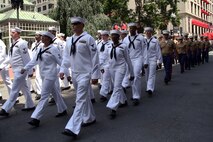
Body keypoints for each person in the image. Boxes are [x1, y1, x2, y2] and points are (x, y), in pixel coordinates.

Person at [59, 17, 99, 138]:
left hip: (85, 73)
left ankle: (72, 127)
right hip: (75, 73)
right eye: (73, 24)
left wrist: (95, 74)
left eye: (77, 24)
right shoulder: (69, 40)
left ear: (82, 25)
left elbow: (95, 57)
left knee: (79, 100)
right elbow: (66, 57)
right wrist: (62, 70)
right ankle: (90, 118)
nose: (74, 26)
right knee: (84, 97)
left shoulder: (88, 39)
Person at [21, 31, 67, 127]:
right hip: (43, 75)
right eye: (42, 36)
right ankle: (62, 109)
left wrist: (63, 72)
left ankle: (35, 118)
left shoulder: (54, 49)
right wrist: (25, 68)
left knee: (44, 95)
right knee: (55, 92)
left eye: (44, 37)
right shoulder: (40, 48)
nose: (42, 38)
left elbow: (61, 62)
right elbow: (34, 60)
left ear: (49, 39)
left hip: (50, 75)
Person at [0, 27, 35, 117]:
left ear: (18, 33)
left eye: (13, 32)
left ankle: (5, 109)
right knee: (25, 88)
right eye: (11, 32)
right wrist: (2, 65)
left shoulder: (22, 43)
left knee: (14, 90)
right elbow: (10, 57)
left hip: (21, 70)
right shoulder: (14, 43)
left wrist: (30, 70)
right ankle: (30, 104)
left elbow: (26, 58)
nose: (11, 34)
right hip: (16, 69)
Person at [106, 30, 134, 119]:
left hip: (120, 68)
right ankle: (124, 100)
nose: (113, 37)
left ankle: (113, 108)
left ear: (118, 37)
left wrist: (131, 73)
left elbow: (128, 60)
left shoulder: (123, 46)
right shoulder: (109, 46)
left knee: (116, 87)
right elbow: (108, 59)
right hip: (112, 68)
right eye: (112, 35)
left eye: (115, 35)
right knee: (117, 86)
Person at [122, 22, 146, 106]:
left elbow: (144, 50)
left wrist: (144, 62)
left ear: (136, 29)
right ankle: (132, 92)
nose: (131, 29)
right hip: (129, 59)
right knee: (129, 76)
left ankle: (136, 97)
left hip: (138, 59)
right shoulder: (125, 39)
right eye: (130, 28)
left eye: (133, 28)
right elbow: (123, 51)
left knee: (136, 76)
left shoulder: (141, 38)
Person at [143, 27, 162, 97]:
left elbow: (158, 51)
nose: (148, 33)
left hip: (153, 59)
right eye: (146, 31)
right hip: (145, 60)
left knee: (152, 74)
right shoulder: (143, 40)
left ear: (151, 32)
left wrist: (159, 61)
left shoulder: (155, 41)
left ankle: (150, 89)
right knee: (147, 74)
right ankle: (148, 86)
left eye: (149, 31)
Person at [97, 30, 112, 102]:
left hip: (108, 64)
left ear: (108, 36)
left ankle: (103, 95)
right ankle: (110, 89)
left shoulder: (111, 44)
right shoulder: (99, 44)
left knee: (105, 79)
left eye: (105, 35)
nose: (103, 37)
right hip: (101, 64)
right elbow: (97, 54)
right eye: (102, 35)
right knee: (103, 79)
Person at [30, 31, 43, 100]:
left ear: (41, 36)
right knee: (37, 78)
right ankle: (39, 91)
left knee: (39, 77)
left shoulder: (43, 44)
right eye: (35, 35)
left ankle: (40, 92)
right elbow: (32, 54)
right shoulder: (33, 44)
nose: (36, 36)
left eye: (37, 35)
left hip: (41, 62)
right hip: (35, 62)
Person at [0, 32, 13, 101]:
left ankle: (14, 97)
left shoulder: (1, 43)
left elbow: (2, 55)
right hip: (1, 64)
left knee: (7, 81)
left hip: (3, 65)